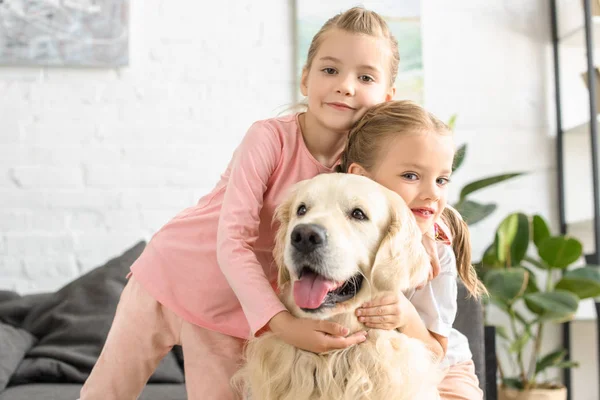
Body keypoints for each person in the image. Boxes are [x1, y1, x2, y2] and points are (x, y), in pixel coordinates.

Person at [80, 7, 410, 400]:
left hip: (240, 305)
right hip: (169, 276)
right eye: (330, 70)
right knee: (105, 393)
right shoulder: (268, 138)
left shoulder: (357, 176)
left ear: (388, 97)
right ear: (305, 78)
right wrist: (282, 324)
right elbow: (232, 240)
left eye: (365, 77)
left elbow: (402, 220)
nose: (345, 86)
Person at [341, 100, 487, 399]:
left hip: (443, 372)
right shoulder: (337, 241)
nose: (433, 192)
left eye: (442, 179)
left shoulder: (439, 254)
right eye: (411, 175)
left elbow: (436, 355)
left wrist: (406, 315)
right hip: (372, 371)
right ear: (361, 178)